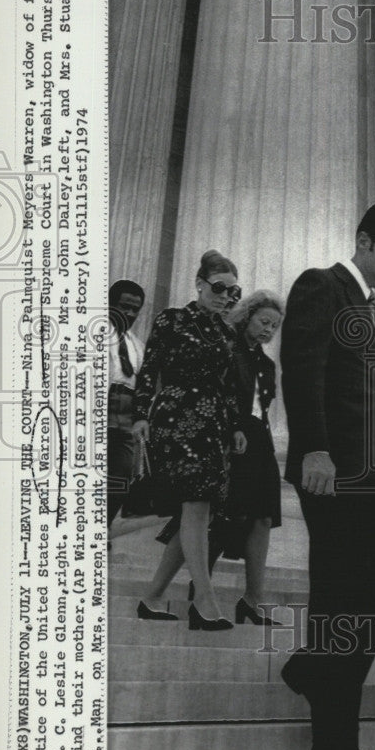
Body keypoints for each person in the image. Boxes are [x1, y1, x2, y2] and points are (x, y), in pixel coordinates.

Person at [279, 202, 375, 750]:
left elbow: (373, 399)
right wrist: (314, 447)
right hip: (334, 472)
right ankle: (332, 747)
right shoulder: (322, 286)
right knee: (340, 601)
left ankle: (314, 667)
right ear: (363, 241)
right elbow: (302, 368)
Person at [131, 250, 246, 630]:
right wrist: (139, 416)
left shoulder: (227, 332)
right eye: (219, 287)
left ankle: (152, 598)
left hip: (212, 424)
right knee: (196, 504)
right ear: (199, 284)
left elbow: (227, 387)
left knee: (198, 512)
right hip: (176, 417)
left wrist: (235, 427)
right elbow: (150, 368)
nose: (226, 295)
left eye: (233, 291)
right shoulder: (172, 319)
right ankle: (206, 600)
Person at [187, 291, 285, 625]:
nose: (269, 330)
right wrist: (229, 431)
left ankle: (253, 600)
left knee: (264, 518)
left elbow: (264, 407)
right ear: (248, 316)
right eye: (264, 322)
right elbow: (216, 393)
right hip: (232, 436)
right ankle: (200, 592)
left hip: (261, 439)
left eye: (274, 326)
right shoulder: (228, 349)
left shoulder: (268, 364)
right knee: (225, 515)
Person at [107, 279, 146, 532]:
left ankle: (103, 526)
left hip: (127, 412)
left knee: (121, 476)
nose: (130, 314)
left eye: (135, 309)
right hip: (102, 405)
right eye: (124, 307)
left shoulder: (137, 344)